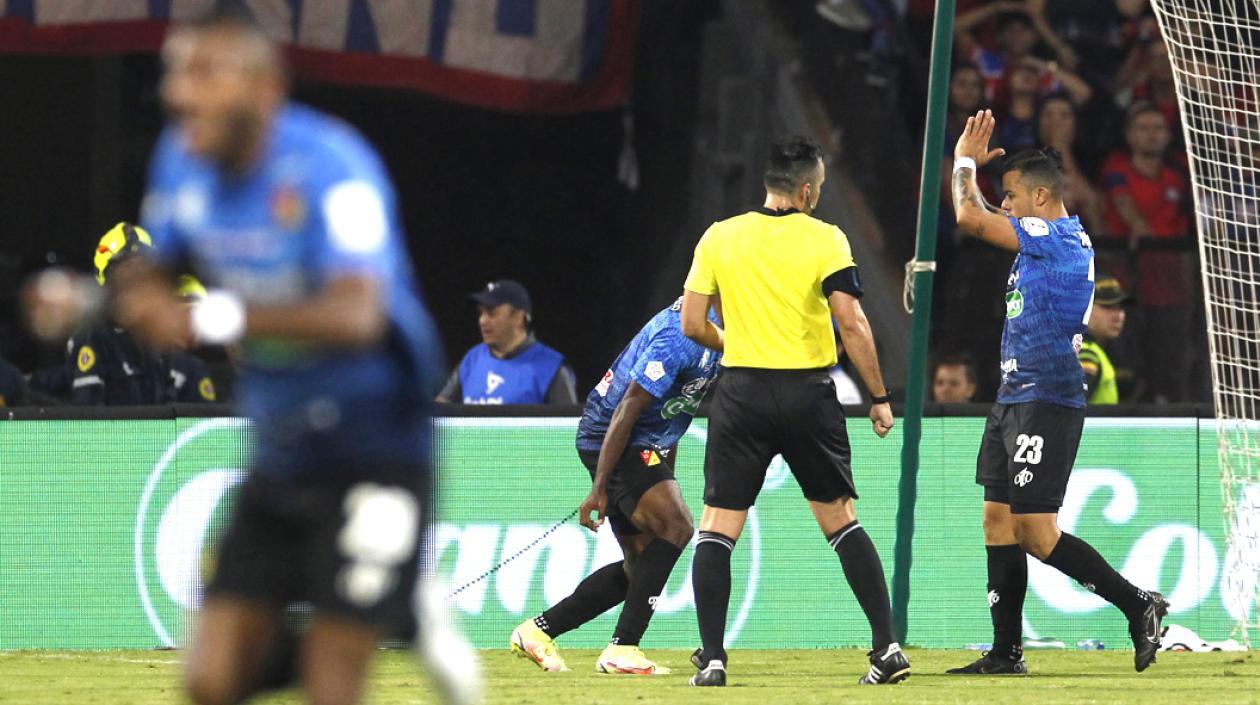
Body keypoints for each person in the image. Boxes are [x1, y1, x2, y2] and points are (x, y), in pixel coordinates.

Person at [32, 9, 463, 705]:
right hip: (284, 448)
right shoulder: (183, 158)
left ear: (263, 87)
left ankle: (402, 615)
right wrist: (87, 300)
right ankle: (405, 614)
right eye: (176, 73)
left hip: (376, 444)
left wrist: (213, 313)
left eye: (205, 72)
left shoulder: (334, 166)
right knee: (210, 678)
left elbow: (358, 314)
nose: (180, 92)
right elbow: (156, 269)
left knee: (332, 683)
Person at [948, 109, 1168, 676]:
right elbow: (985, 211)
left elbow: (970, 215)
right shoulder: (1039, 235)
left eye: (1016, 197)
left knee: (1036, 532)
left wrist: (964, 160)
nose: (1009, 207)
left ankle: (1138, 604)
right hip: (1013, 394)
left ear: (1043, 197)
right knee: (997, 519)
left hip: (1046, 397)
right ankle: (1005, 653)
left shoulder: (1060, 239)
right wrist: (977, 175)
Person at [681, 136, 907, 687]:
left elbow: (690, 324)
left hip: (742, 395)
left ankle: (713, 659)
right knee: (840, 521)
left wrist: (734, 342)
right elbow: (851, 322)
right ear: (807, 189)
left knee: (717, 527)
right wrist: (879, 396)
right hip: (808, 394)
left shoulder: (720, 236)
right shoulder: (826, 238)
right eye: (822, 187)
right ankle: (887, 648)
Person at [509, 296, 722, 676]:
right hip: (613, 438)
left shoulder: (720, 326)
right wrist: (600, 488)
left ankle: (537, 632)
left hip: (644, 442)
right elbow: (628, 407)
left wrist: (663, 468)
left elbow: (669, 409)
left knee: (639, 566)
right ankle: (623, 648)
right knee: (677, 526)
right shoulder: (679, 334)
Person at [1100, 102, 1193, 403]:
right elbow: (1122, 202)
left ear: (1168, 135)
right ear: (1130, 135)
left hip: (1169, 284)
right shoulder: (1117, 169)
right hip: (1128, 281)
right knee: (1130, 356)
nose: (1151, 135)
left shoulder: (1177, 175)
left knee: (1168, 357)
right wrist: (1139, 227)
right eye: (1143, 128)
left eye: (1158, 128)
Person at [67, 222, 178, 406]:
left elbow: (170, 407)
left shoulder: (156, 337)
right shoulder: (92, 337)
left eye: (143, 271)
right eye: (127, 271)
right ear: (107, 280)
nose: (136, 282)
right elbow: (88, 418)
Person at [435, 279, 577, 405]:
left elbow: (569, 429)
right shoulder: (472, 359)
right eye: (481, 313)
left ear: (518, 317)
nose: (482, 321)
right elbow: (440, 409)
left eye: (491, 313)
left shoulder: (551, 367)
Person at [1079, 276, 1130, 405]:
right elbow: (1069, 414)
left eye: (1120, 307)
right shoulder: (1086, 354)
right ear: (1084, 308)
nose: (1119, 316)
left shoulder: (1092, 350)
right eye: (1107, 307)